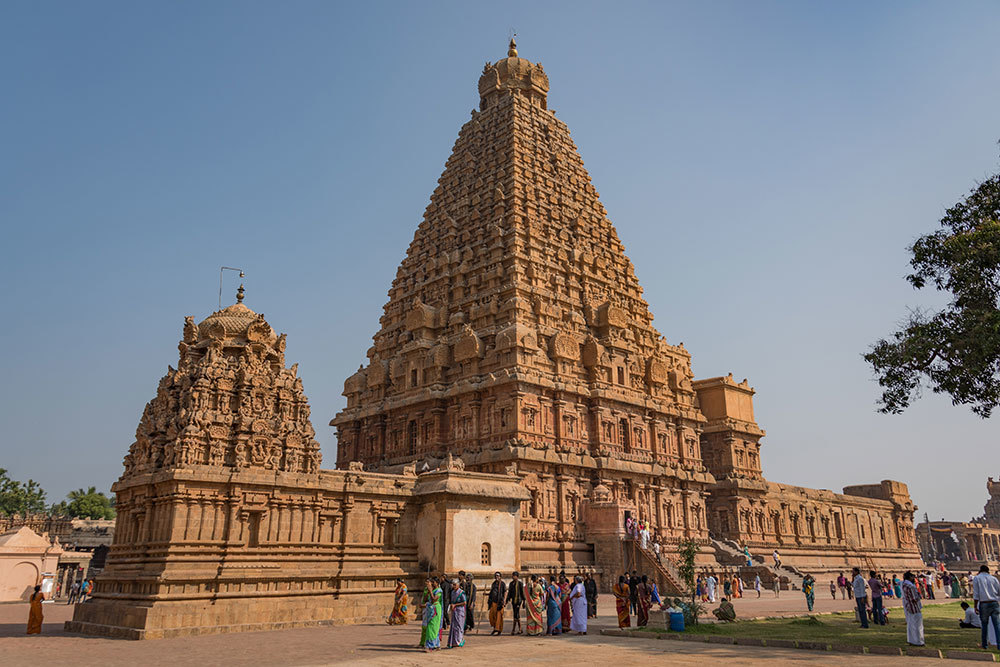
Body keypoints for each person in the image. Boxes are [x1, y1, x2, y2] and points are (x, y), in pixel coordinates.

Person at [973, 564, 1000, 650]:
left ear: (980, 570)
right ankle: (999, 645)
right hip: (995, 603)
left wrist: (975, 606)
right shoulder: (994, 579)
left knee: (984, 625)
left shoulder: (977, 578)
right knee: (997, 625)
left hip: (984, 603)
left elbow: (976, 594)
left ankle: (985, 644)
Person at [901, 571, 924, 646]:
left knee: (910, 624)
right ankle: (919, 641)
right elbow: (914, 598)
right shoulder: (911, 586)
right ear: (910, 577)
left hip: (908, 606)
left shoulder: (904, 585)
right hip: (914, 607)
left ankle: (911, 640)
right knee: (918, 625)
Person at [421, 577, 443, 652]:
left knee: (433, 627)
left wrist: (430, 591)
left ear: (437, 583)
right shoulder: (432, 590)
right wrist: (428, 591)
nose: (432, 584)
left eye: (433, 582)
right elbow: (425, 600)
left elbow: (434, 600)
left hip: (435, 610)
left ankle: (430, 646)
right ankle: (436, 645)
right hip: (430, 610)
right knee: (430, 627)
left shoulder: (439, 591)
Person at [448, 579, 467, 648]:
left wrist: (456, 605)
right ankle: (453, 641)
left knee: (459, 626)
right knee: (453, 626)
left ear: (458, 585)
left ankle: (459, 641)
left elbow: (464, 602)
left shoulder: (461, 592)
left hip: (460, 610)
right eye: (453, 585)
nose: (454, 586)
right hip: (454, 611)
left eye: (455, 585)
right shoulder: (452, 592)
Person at [487, 571, 506, 635]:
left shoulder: (502, 584)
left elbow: (505, 592)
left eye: (498, 576)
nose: (497, 577)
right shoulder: (494, 584)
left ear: (500, 577)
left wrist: (504, 601)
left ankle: (498, 630)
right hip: (493, 602)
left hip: (500, 602)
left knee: (499, 616)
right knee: (492, 616)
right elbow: (492, 592)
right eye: (496, 576)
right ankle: (495, 628)